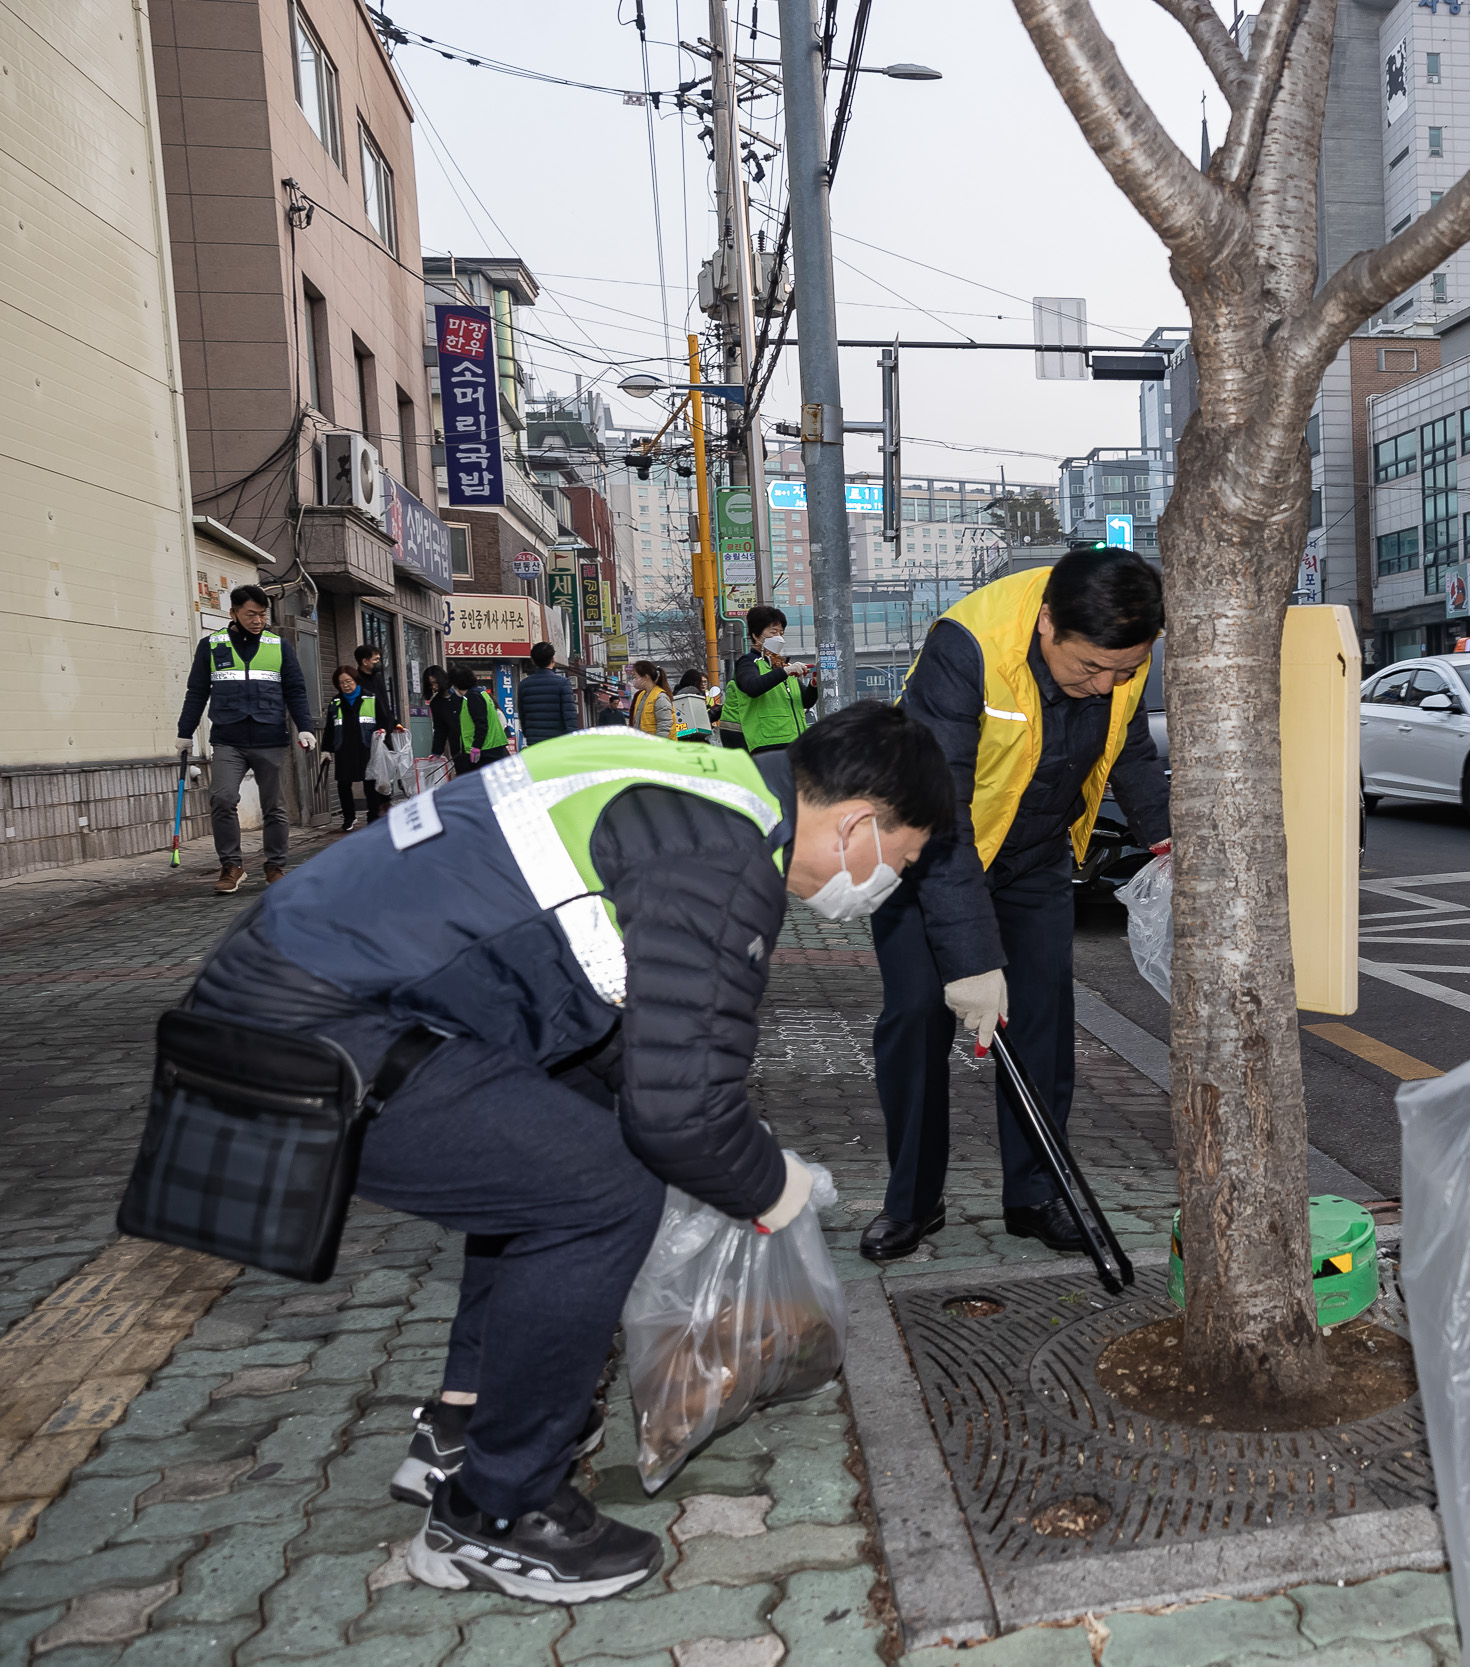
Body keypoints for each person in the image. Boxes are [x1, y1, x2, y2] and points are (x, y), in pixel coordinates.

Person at [176, 703, 953, 1601]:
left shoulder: (686, 778)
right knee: (605, 1191)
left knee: (557, 1132)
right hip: (304, 1031)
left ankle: (464, 1426)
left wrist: (725, 1135)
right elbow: (678, 1118)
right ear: (859, 824)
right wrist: (771, 1187)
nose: (888, 883)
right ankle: (493, 1512)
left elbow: (631, 1035)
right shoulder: (724, 852)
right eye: (901, 861)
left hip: (289, 983)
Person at [862, 547, 1170, 1261]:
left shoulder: (1122, 647)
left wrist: (1165, 838)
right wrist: (970, 961)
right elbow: (939, 816)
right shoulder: (965, 646)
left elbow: (1126, 748)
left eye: (1122, 671)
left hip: (1033, 856)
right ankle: (912, 1201)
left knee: (1041, 1027)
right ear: (1046, 625)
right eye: (1090, 667)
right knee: (915, 1018)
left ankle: (1034, 1193)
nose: (1105, 684)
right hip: (923, 852)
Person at [176, 583, 317, 894]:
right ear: (233, 613)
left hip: (270, 737)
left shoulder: (277, 645)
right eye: (250, 614)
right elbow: (197, 692)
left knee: (274, 806)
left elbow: (295, 690)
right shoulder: (211, 646)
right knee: (222, 798)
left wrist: (303, 726)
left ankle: (275, 866)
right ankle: (231, 865)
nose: (257, 620)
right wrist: (185, 733)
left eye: (262, 614)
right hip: (229, 737)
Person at [721, 606, 817, 754]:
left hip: (794, 742)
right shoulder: (749, 662)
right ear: (756, 635)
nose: (779, 637)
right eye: (773, 632)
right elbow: (752, 687)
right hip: (768, 744)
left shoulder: (783, 666)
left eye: (781, 633)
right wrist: (785, 672)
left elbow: (805, 701)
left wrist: (813, 685)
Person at [319, 667, 388, 830]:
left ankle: (373, 816)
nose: (345, 685)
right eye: (341, 682)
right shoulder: (336, 702)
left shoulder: (371, 698)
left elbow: (384, 720)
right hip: (344, 748)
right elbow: (330, 728)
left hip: (366, 747)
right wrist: (326, 750)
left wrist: (384, 732)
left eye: (348, 681)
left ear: (355, 680)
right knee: (343, 784)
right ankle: (349, 818)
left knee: (370, 783)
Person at [515, 642, 580, 748]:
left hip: (534, 741)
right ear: (553, 659)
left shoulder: (524, 685)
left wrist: (528, 735)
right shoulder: (563, 683)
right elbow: (569, 715)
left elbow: (523, 715)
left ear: (533, 661)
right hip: (558, 742)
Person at [447, 668, 510, 774]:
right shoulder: (481, 694)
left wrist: (476, 746)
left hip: (486, 750)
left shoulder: (473, 697)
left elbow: (481, 723)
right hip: (491, 747)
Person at [627, 661, 677, 740]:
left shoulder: (660, 697)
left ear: (646, 677)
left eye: (635, 676)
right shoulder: (641, 696)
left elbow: (664, 726)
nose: (634, 680)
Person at [671, 669, 714, 743]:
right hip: (694, 737)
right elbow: (701, 719)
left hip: (679, 735)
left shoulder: (675, 695)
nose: (702, 684)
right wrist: (715, 712)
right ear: (696, 682)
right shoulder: (693, 695)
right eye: (701, 682)